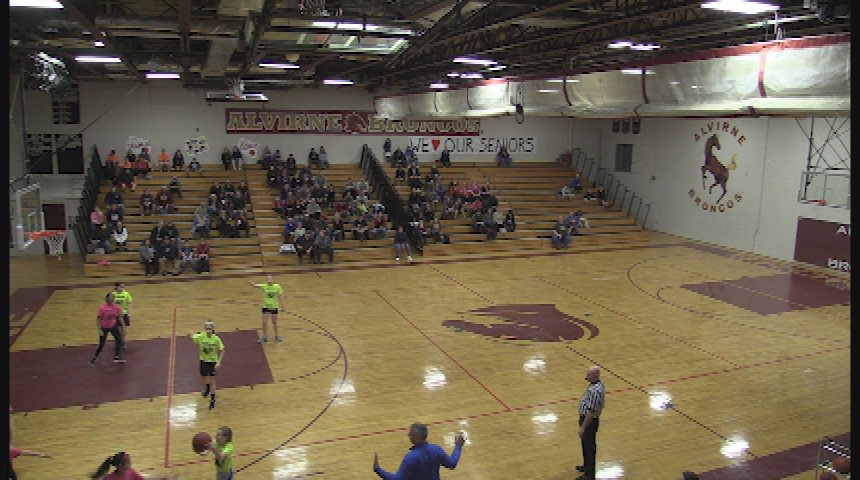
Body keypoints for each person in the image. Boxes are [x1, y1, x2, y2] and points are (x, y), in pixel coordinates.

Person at [373, 423, 464, 480]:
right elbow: (452, 463)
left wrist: (378, 469)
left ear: (417, 437)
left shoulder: (411, 457)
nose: (408, 435)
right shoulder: (436, 449)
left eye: (411, 434)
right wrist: (458, 446)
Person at [576, 366, 605, 480]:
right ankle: (586, 466)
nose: (586, 377)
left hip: (589, 422)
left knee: (589, 448)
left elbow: (591, 412)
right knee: (585, 445)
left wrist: (583, 427)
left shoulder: (595, 391)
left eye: (589, 375)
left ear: (596, 376)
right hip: (587, 421)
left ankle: (589, 475)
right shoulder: (596, 385)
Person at [192, 321, 225, 410]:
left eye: (210, 329)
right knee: (204, 378)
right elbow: (194, 337)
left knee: (212, 380)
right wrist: (192, 334)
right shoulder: (201, 336)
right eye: (206, 329)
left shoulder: (216, 339)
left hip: (212, 362)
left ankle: (213, 399)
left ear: (213, 329)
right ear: (204, 329)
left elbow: (222, 350)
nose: (208, 331)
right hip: (203, 361)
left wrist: (218, 362)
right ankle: (207, 388)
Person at [90, 292, 126, 365]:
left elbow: (120, 317)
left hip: (113, 326)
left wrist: (123, 327)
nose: (111, 300)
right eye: (109, 298)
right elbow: (98, 319)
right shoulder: (103, 308)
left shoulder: (117, 307)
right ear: (107, 299)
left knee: (119, 340)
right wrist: (100, 330)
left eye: (112, 298)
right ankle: (95, 357)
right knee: (102, 343)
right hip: (104, 327)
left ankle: (116, 357)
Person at [247, 275, 285, 343]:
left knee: (275, 322)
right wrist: (251, 283)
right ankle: (264, 336)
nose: (269, 280)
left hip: (274, 307)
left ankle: (277, 335)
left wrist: (283, 306)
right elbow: (255, 286)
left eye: (270, 279)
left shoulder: (277, 287)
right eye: (268, 279)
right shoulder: (264, 286)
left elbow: (280, 296)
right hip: (266, 307)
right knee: (264, 322)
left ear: (272, 279)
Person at [90, 451, 177, 479]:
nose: (130, 464)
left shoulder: (131, 472)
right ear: (120, 466)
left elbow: (144, 478)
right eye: (128, 462)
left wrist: (162, 478)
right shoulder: (110, 479)